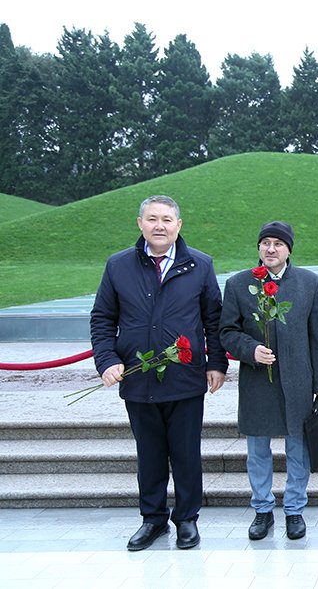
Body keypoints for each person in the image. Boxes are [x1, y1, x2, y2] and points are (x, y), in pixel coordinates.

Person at [90, 195, 227, 551]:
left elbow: (214, 320)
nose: (160, 226)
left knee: (185, 453)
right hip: (138, 378)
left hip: (185, 380)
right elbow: (103, 318)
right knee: (149, 454)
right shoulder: (118, 265)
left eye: (167, 219)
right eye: (152, 219)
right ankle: (152, 520)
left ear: (179, 225)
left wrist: (216, 363)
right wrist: (106, 360)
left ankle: (186, 520)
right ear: (140, 223)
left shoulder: (200, 265)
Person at [219, 221, 318, 541]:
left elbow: (317, 337)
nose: (271, 249)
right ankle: (262, 509)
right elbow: (227, 331)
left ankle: (294, 509)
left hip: (298, 380)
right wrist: (250, 350)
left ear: (288, 250)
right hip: (258, 382)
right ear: (258, 248)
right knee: (258, 450)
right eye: (265, 243)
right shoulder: (240, 284)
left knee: (298, 448)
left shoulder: (308, 283)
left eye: (278, 244)